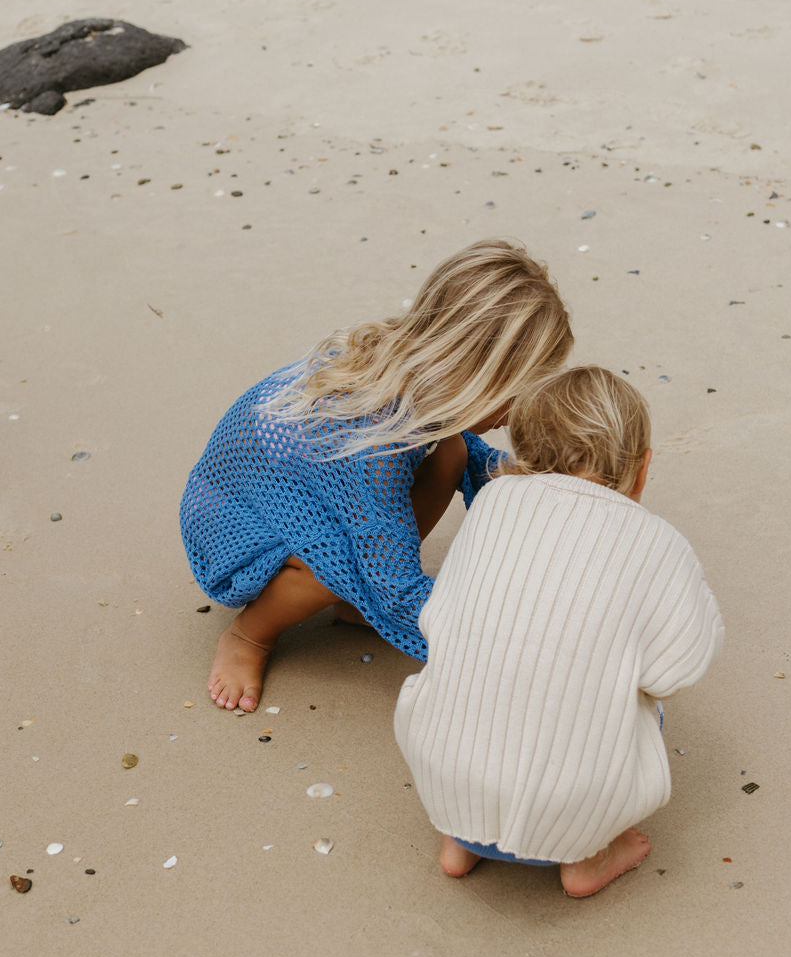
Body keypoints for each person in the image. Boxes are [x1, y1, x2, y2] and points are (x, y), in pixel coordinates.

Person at [180, 240, 573, 711]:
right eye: (517, 395)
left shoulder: (416, 376)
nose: (519, 414)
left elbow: (470, 454)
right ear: (472, 377)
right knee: (333, 563)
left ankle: (351, 601)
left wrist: (540, 486)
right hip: (236, 526)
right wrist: (509, 658)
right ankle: (250, 635)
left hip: (301, 494)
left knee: (447, 452)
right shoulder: (376, 448)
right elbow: (398, 588)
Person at [394, 366, 724, 898]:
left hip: (444, 773)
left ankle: (460, 841)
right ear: (642, 471)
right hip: (576, 803)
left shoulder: (491, 509)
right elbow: (675, 670)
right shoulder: (660, 544)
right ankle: (587, 857)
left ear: (521, 452)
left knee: (465, 684)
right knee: (641, 705)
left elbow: (438, 620)